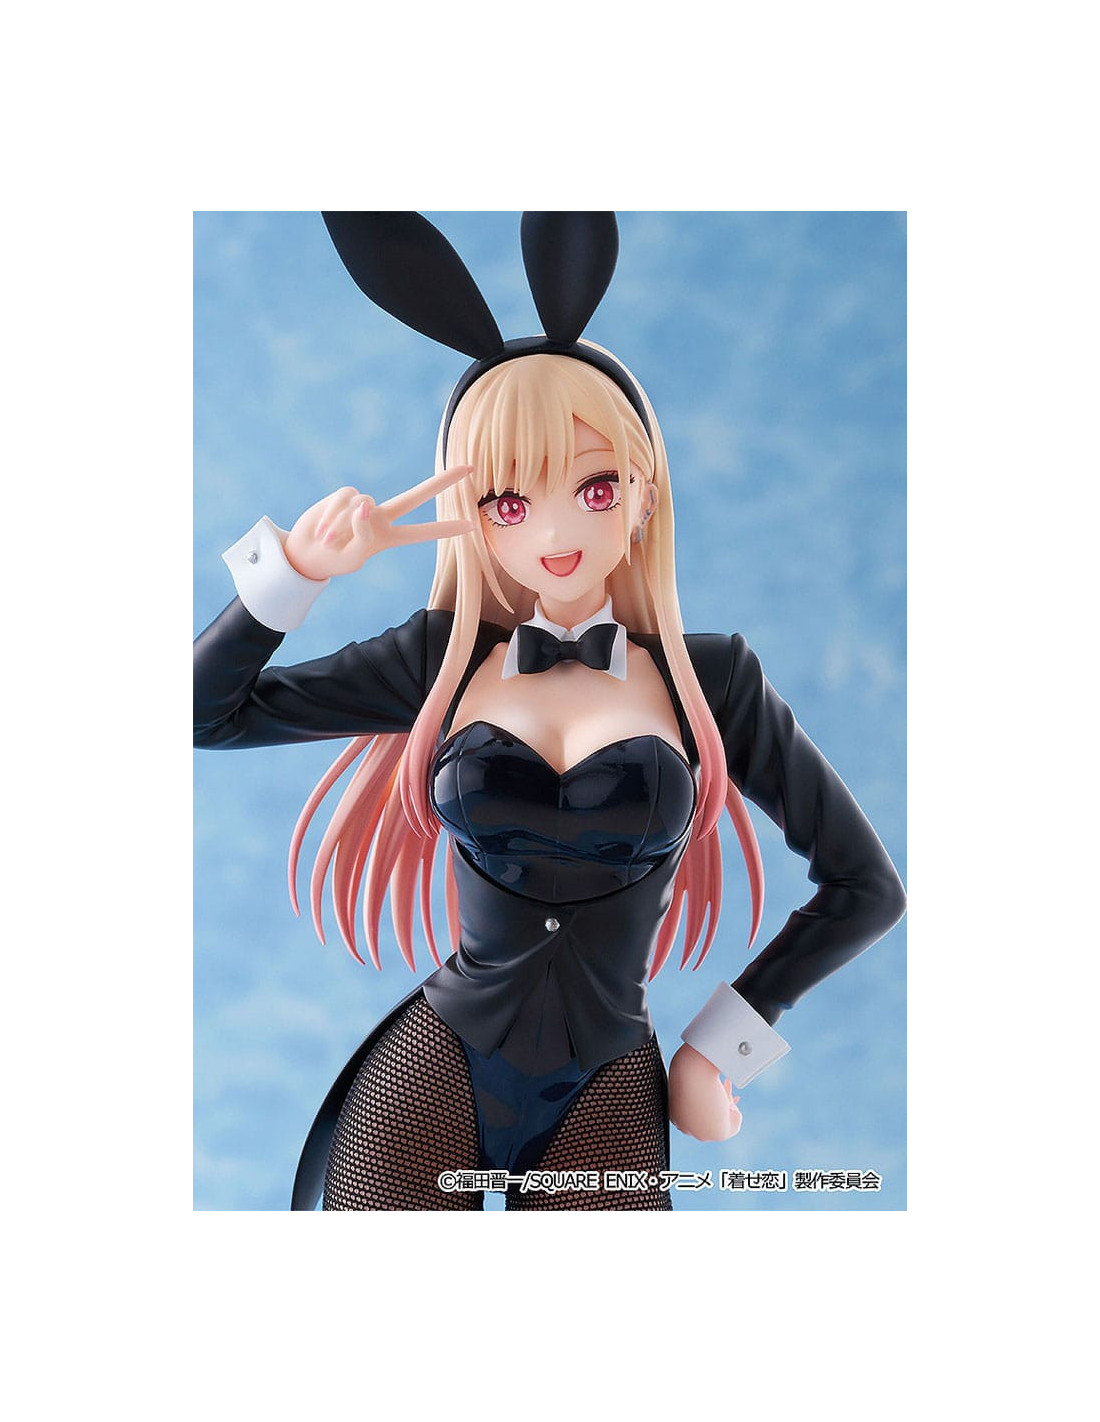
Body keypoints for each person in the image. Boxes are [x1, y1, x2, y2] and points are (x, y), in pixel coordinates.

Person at [193, 212, 906, 1210]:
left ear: (645, 491)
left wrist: (718, 1050)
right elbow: (205, 714)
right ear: (473, 520)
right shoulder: (439, 657)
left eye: (594, 486)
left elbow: (864, 886)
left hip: (607, 1087)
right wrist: (296, 572)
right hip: (429, 1075)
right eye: (509, 502)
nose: (556, 530)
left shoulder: (711, 679)